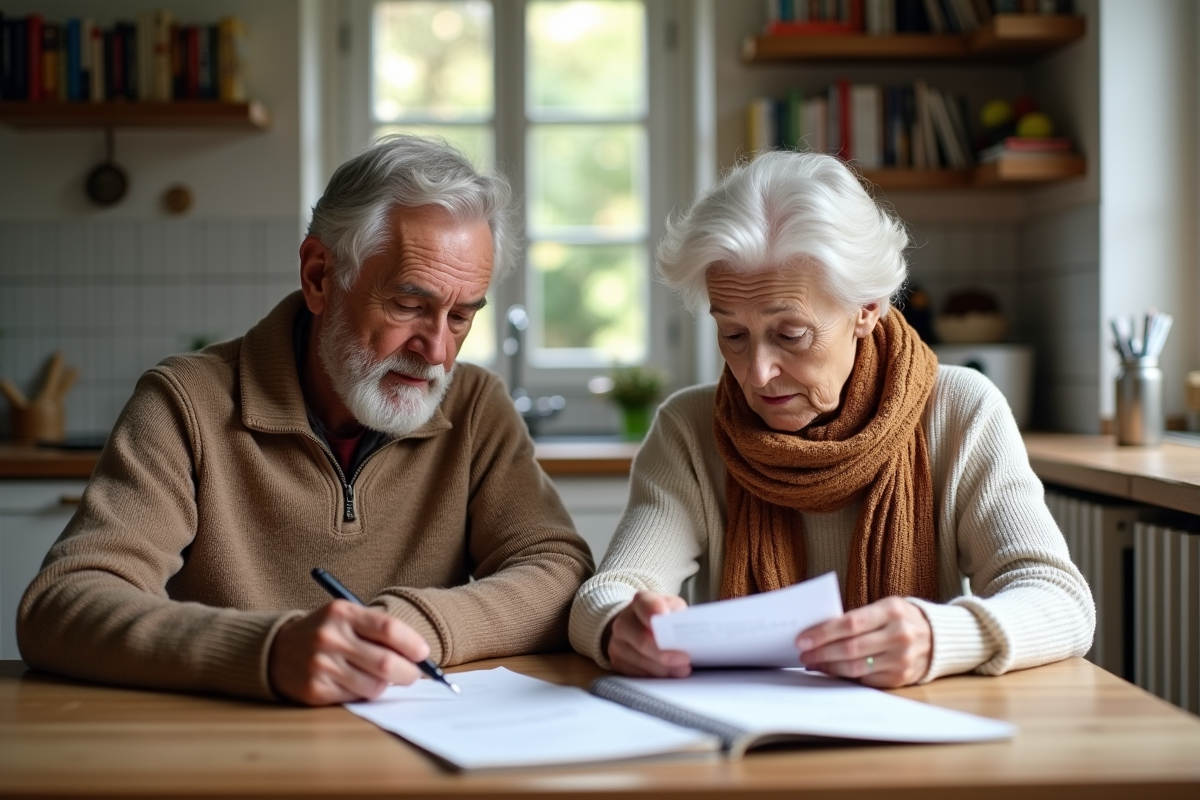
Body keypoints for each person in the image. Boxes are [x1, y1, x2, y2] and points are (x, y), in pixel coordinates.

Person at [18, 135, 594, 705]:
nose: (438, 351)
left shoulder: (475, 407)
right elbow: (62, 603)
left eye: (461, 316)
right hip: (231, 744)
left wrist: (405, 627)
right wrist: (267, 651)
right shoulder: (185, 403)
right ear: (320, 276)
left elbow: (560, 571)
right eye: (408, 305)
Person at [569, 150, 1094, 688]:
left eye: (790, 334)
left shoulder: (961, 411)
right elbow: (610, 590)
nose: (757, 373)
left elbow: (1059, 599)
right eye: (733, 334)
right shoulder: (690, 427)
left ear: (867, 308)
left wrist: (938, 635)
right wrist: (619, 625)